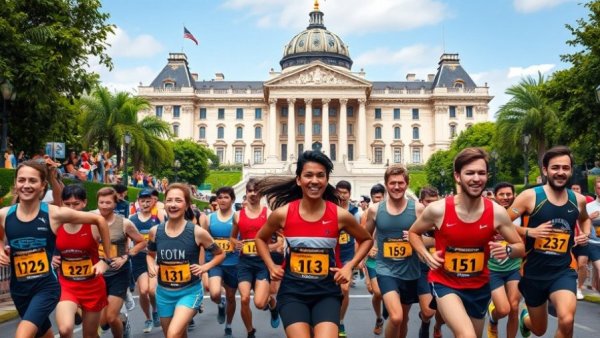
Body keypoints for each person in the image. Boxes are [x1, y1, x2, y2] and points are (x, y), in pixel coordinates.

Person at [255, 150, 373, 338]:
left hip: (326, 293)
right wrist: (271, 265)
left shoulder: (340, 215)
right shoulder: (283, 214)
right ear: (298, 180)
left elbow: (367, 239)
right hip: (293, 292)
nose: (315, 181)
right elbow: (260, 238)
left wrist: (350, 266)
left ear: (327, 180)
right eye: (308, 175)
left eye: (320, 175)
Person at [408, 147, 525, 338]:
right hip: (445, 283)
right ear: (457, 176)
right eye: (469, 173)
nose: (476, 178)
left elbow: (520, 247)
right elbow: (414, 233)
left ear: (487, 176)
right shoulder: (438, 210)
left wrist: (508, 250)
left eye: (481, 173)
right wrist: (426, 256)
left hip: (479, 287)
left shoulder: (496, 213)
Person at [0, 160, 111, 338]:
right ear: (16, 183)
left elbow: (99, 220)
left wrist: (106, 260)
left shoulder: (54, 214)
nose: (26, 185)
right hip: (19, 289)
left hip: (45, 287)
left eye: (32, 181)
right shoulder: (5, 214)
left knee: (23, 335)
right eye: (21, 180)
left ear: (42, 185)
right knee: (43, 334)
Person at [509, 146, 591, 338]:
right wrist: (529, 231)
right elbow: (502, 222)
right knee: (539, 329)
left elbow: (585, 218)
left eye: (565, 168)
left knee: (567, 320)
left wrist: (585, 233)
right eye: (555, 168)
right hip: (534, 273)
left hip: (563, 271)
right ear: (545, 170)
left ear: (570, 170)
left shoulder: (578, 200)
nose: (560, 172)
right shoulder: (530, 196)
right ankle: (526, 320)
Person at [146, 183, 225, 337]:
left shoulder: (197, 232)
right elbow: (150, 254)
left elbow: (220, 254)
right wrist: (151, 266)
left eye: (178, 200)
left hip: (189, 292)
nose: (173, 205)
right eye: (169, 200)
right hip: (163, 293)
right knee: (178, 335)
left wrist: (204, 268)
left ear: (187, 204)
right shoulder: (155, 231)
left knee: (172, 334)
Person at [364, 165, 424, 338]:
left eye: (400, 183)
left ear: (407, 184)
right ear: (386, 184)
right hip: (386, 270)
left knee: (403, 320)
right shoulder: (375, 210)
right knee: (396, 317)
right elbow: (365, 237)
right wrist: (360, 263)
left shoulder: (418, 209)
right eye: (392, 183)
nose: (396, 187)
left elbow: (433, 239)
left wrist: (415, 239)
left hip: (411, 272)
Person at [53, 184, 112, 338]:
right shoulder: (56, 223)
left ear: (84, 203)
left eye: (76, 204)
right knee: (65, 329)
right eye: (67, 204)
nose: (71, 208)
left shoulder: (93, 224)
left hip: (92, 286)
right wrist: (51, 257)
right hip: (67, 285)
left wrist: (105, 260)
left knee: (90, 335)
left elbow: (112, 243)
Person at [94, 187, 147, 338]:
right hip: (98, 275)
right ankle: (123, 321)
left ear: (115, 204)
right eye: (101, 202)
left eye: (108, 202)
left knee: (111, 317)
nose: (104, 206)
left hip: (118, 274)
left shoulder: (124, 223)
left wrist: (125, 257)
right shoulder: (91, 222)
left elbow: (141, 242)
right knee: (103, 322)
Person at [230, 178, 279, 338]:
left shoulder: (269, 214)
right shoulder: (237, 215)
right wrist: (235, 243)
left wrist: (266, 248)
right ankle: (250, 331)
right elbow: (232, 238)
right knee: (244, 298)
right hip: (244, 262)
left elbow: (282, 240)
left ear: (261, 193)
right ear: (246, 193)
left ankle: (272, 303)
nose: (253, 194)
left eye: (256, 191)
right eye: (250, 191)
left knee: (259, 303)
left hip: (262, 263)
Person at [486, 182, 522, 338]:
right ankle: (493, 319)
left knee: (514, 307)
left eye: (509, 194)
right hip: (493, 269)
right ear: (495, 195)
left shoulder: (521, 214)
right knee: (502, 309)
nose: (506, 197)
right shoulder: (487, 213)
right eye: (502, 194)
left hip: (514, 267)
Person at [203, 186, 239, 338]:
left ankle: (228, 326)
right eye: (220, 197)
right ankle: (220, 304)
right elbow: (202, 242)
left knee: (231, 296)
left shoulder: (238, 218)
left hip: (233, 262)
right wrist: (203, 266)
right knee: (214, 293)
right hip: (215, 262)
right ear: (216, 200)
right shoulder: (209, 218)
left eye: (226, 197)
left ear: (232, 199)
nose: (222, 200)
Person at [130, 189, 165, 333]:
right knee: (143, 291)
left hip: (154, 258)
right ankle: (148, 318)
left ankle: (155, 310)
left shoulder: (158, 217)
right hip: (138, 259)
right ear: (138, 202)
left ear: (153, 202)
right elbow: (126, 238)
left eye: (148, 201)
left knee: (152, 290)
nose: (145, 203)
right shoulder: (132, 219)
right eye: (142, 201)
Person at [335, 180, 362, 337]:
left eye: (345, 193)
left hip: (347, 255)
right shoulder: (329, 209)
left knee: (344, 289)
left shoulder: (355, 212)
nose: (342, 195)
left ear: (349, 194)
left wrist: (357, 259)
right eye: (339, 192)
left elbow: (360, 236)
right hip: (332, 254)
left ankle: (340, 321)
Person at [415, 186, 442, 338]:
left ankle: (437, 327)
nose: (432, 205)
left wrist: (427, 241)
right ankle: (425, 324)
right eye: (428, 202)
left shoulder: (442, 217)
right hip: (422, 269)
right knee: (428, 311)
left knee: (443, 313)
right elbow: (412, 238)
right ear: (420, 202)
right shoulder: (415, 219)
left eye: (435, 201)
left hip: (443, 269)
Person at [361, 183, 386, 335]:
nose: (378, 200)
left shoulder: (392, 212)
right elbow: (363, 237)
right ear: (372, 198)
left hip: (390, 259)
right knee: (377, 293)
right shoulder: (367, 214)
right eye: (376, 198)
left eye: (380, 198)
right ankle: (379, 317)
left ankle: (389, 308)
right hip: (373, 260)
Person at [571, 183, 593, 299]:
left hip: (582, 239)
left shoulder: (584, 202)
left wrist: (586, 234)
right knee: (571, 266)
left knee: (583, 263)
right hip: (569, 240)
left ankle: (579, 287)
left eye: (577, 188)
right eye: (573, 189)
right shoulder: (565, 202)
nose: (575, 190)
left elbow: (587, 219)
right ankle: (570, 286)